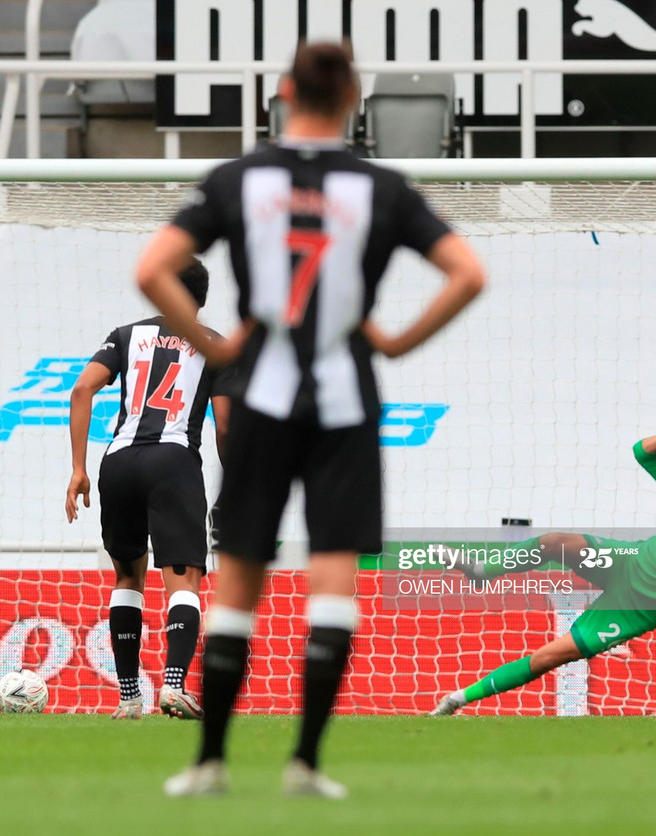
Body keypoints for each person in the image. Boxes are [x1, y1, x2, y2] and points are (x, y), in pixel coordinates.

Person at [135, 42, 487, 797]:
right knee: (332, 580)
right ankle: (305, 764)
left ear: (285, 91)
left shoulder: (239, 177)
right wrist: (395, 340)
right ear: (355, 96)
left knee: (238, 581)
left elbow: (151, 269)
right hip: (346, 401)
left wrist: (214, 341)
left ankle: (208, 763)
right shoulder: (381, 185)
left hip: (261, 389)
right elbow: (469, 273)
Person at [430, 412, 656, 715]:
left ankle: (458, 699)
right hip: (626, 561)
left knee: (550, 656)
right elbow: (643, 453)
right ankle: (481, 571)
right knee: (558, 542)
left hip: (637, 609)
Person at [66, 260, 230, 721]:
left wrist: (78, 469)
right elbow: (226, 426)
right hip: (173, 462)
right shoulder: (216, 346)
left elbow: (82, 392)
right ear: (201, 299)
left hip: (117, 461)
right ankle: (174, 685)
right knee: (183, 579)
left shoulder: (124, 334)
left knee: (126, 577)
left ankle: (128, 698)